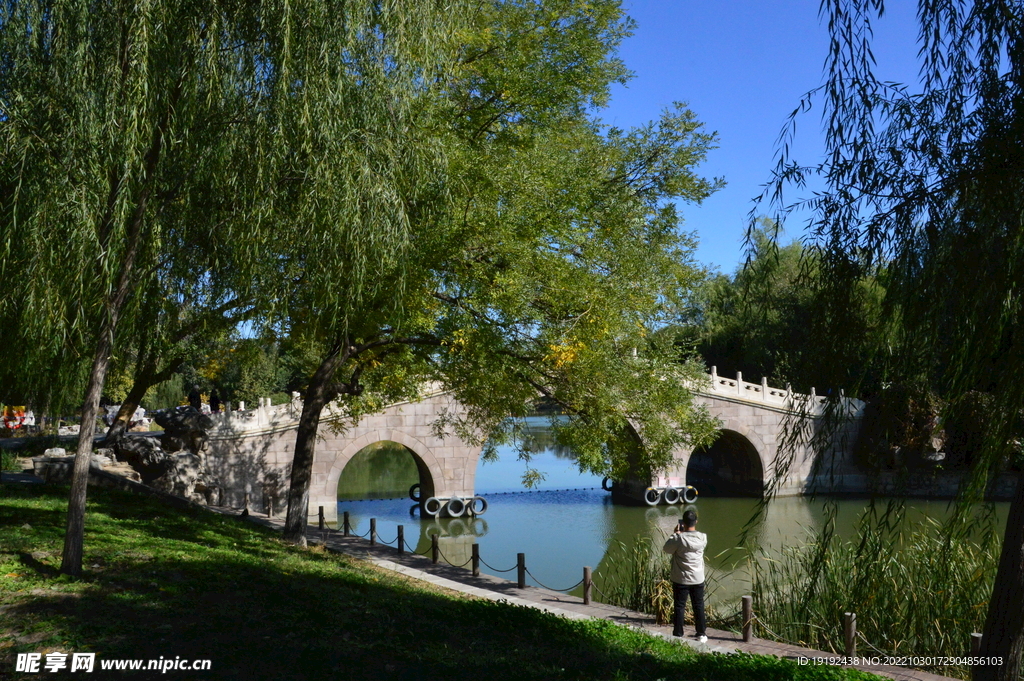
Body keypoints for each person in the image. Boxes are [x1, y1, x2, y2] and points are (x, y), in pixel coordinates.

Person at [663, 509, 708, 643]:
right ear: (696, 522)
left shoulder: (679, 539)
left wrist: (675, 533)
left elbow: (667, 549)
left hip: (681, 578)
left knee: (679, 606)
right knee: (699, 605)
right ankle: (701, 634)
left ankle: (678, 634)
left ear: (683, 523)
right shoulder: (703, 538)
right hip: (697, 577)